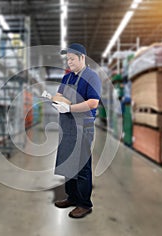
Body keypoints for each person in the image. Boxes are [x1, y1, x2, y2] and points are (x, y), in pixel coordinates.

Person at [52, 43, 101, 218]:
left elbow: (93, 102)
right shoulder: (67, 78)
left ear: (82, 58)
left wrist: (70, 107)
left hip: (83, 127)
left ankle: (84, 204)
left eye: (72, 59)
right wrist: (57, 101)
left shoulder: (91, 77)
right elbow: (57, 96)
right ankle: (72, 197)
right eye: (67, 59)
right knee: (68, 164)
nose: (69, 62)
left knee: (82, 166)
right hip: (67, 128)